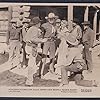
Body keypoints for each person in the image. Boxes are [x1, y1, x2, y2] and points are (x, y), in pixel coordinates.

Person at [24, 17, 47, 86]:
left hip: (28, 46)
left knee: (38, 59)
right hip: (32, 48)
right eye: (39, 22)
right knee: (31, 64)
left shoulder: (31, 28)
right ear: (37, 23)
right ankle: (29, 81)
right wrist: (42, 40)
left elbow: (25, 38)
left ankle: (33, 74)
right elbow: (33, 39)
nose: (40, 24)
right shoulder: (35, 29)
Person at [40, 12, 58, 78]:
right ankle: (41, 72)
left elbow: (56, 34)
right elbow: (41, 33)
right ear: (48, 19)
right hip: (46, 42)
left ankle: (51, 69)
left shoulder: (55, 26)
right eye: (50, 19)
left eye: (52, 18)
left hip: (53, 42)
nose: (51, 20)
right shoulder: (44, 25)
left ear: (54, 19)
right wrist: (41, 42)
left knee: (52, 57)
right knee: (44, 56)